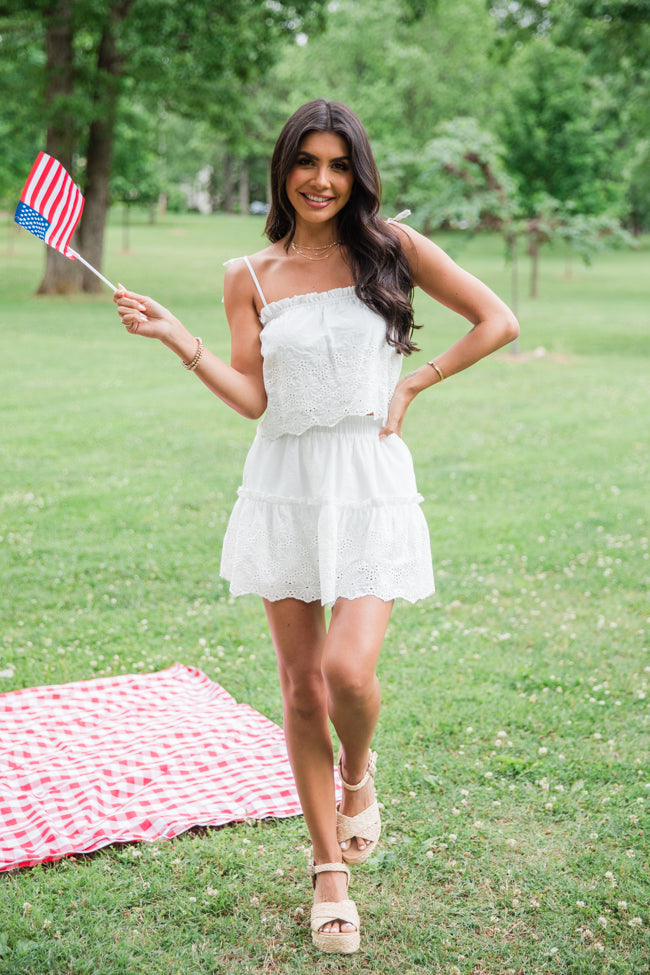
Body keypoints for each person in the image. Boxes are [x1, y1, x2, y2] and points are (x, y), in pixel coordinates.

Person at [114, 99, 519, 955]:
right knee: (302, 688)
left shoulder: (394, 247)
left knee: (346, 672)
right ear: (283, 169)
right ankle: (328, 869)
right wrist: (178, 339)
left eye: (338, 164)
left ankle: (359, 774)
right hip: (284, 483)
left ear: (357, 172)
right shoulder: (248, 275)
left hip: (369, 482)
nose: (323, 180)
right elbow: (258, 398)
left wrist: (415, 383)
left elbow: (498, 320)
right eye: (308, 163)